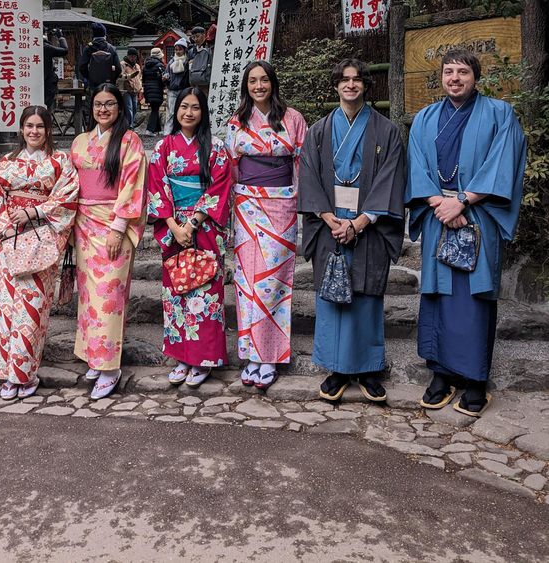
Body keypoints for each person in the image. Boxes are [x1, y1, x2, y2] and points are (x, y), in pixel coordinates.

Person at [406, 49, 526, 417]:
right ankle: (440, 374)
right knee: (438, 294)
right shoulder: (425, 118)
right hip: (436, 213)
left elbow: (503, 162)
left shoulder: (499, 113)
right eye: (448, 72)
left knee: (473, 297)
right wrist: (438, 203)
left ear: (476, 76)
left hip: (478, 215)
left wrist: (461, 201)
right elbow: (416, 165)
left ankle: (475, 380)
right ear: (440, 77)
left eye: (462, 71)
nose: (454, 78)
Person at [299, 59, 405, 404]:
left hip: (368, 225)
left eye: (357, 79)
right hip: (330, 224)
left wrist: (360, 222)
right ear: (335, 86)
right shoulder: (318, 131)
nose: (351, 85)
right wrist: (330, 220)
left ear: (365, 85)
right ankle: (336, 369)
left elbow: (391, 176)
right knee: (332, 298)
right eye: (344, 80)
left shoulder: (386, 130)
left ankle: (369, 368)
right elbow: (309, 177)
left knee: (365, 297)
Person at [0, 106, 79, 400]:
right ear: (21, 129)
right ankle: (8, 374)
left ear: (48, 130)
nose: (33, 131)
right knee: (7, 309)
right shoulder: (7, 162)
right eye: (28, 126)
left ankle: (25, 373)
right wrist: (5, 227)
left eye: (39, 126)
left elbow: (67, 198)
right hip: (10, 240)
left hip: (41, 241)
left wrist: (34, 212)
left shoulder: (60, 162)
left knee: (32, 310)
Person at [225, 61, 307, 389]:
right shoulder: (237, 122)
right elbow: (231, 169)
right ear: (246, 86)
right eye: (252, 81)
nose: (258, 86)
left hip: (282, 205)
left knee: (273, 282)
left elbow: (302, 163)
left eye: (264, 80)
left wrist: (299, 203)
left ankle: (269, 356)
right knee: (247, 283)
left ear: (273, 82)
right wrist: (232, 210)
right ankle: (251, 354)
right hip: (246, 206)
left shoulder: (293, 119)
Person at [147, 87, 232, 387]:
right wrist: (173, 225)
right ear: (176, 110)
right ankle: (183, 356)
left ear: (203, 112)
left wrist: (193, 223)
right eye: (184, 106)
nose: (189, 113)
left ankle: (204, 358)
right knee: (176, 293)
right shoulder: (163, 147)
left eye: (195, 107)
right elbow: (157, 186)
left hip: (204, 227)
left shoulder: (216, 147)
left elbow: (220, 187)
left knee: (205, 295)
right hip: (174, 228)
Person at [71, 84, 147, 400]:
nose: (104, 109)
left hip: (113, 224)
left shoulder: (130, 142)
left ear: (120, 107)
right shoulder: (80, 141)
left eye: (110, 104)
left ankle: (110, 368)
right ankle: (93, 354)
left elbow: (133, 185)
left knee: (109, 295)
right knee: (89, 295)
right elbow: (69, 183)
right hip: (84, 223)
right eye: (99, 104)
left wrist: (118, 228)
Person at [78, 22, 121, 89]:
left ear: (93, 35)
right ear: (105, 35)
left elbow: (82, 67)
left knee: (94, 99)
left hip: (93, 85)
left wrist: (89, 77)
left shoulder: (88, 48)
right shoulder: (112, 49)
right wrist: (112, 80)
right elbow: (118, 68)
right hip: (108, 85)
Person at [163, 38, 190, 134]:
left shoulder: (187, 62)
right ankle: (168, 133)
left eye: (180, 49)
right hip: (172, 90)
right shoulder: (171, 62)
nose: (178, 51)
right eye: (176, 49)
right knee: (171, 112)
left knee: (183, 111)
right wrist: (165, 79)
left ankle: (181, 131)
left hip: (184, 90)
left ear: (184, 50)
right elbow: (166, 74)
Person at [43, 27, 68, 112]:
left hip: (33, 85)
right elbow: (64, 50)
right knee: (45, 112)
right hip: (47, 85)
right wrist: (61, 37)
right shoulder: (45, 47)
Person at [142, 46, 165, 135]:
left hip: (148, 90)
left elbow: (143, 79)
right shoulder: (160, 65)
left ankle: (157, 129)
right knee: (155, 109)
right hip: (157, 89)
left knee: (154, 108)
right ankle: (149, 130)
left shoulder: (145, 65)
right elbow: (162, 79)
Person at [118, 47, 143, 127]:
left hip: (135, 90)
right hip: (126, 90)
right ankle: (130, 126)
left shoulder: (137, 66)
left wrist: (140, 87)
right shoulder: (123, 64)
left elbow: (139, 77)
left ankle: (130, 123)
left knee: (135, 108)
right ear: (128, 56)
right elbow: (119, 76)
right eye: (131, 56)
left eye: (134, 56)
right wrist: (128, 76)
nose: (132, 58)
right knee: (129, 108)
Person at [188, 25, 212, 96]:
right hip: (194, 82)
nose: (195, 39)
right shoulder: (191, 51)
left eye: (197, 36)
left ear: (204, 35)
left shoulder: (209, 48)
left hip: (206, 82)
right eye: (193, 37)